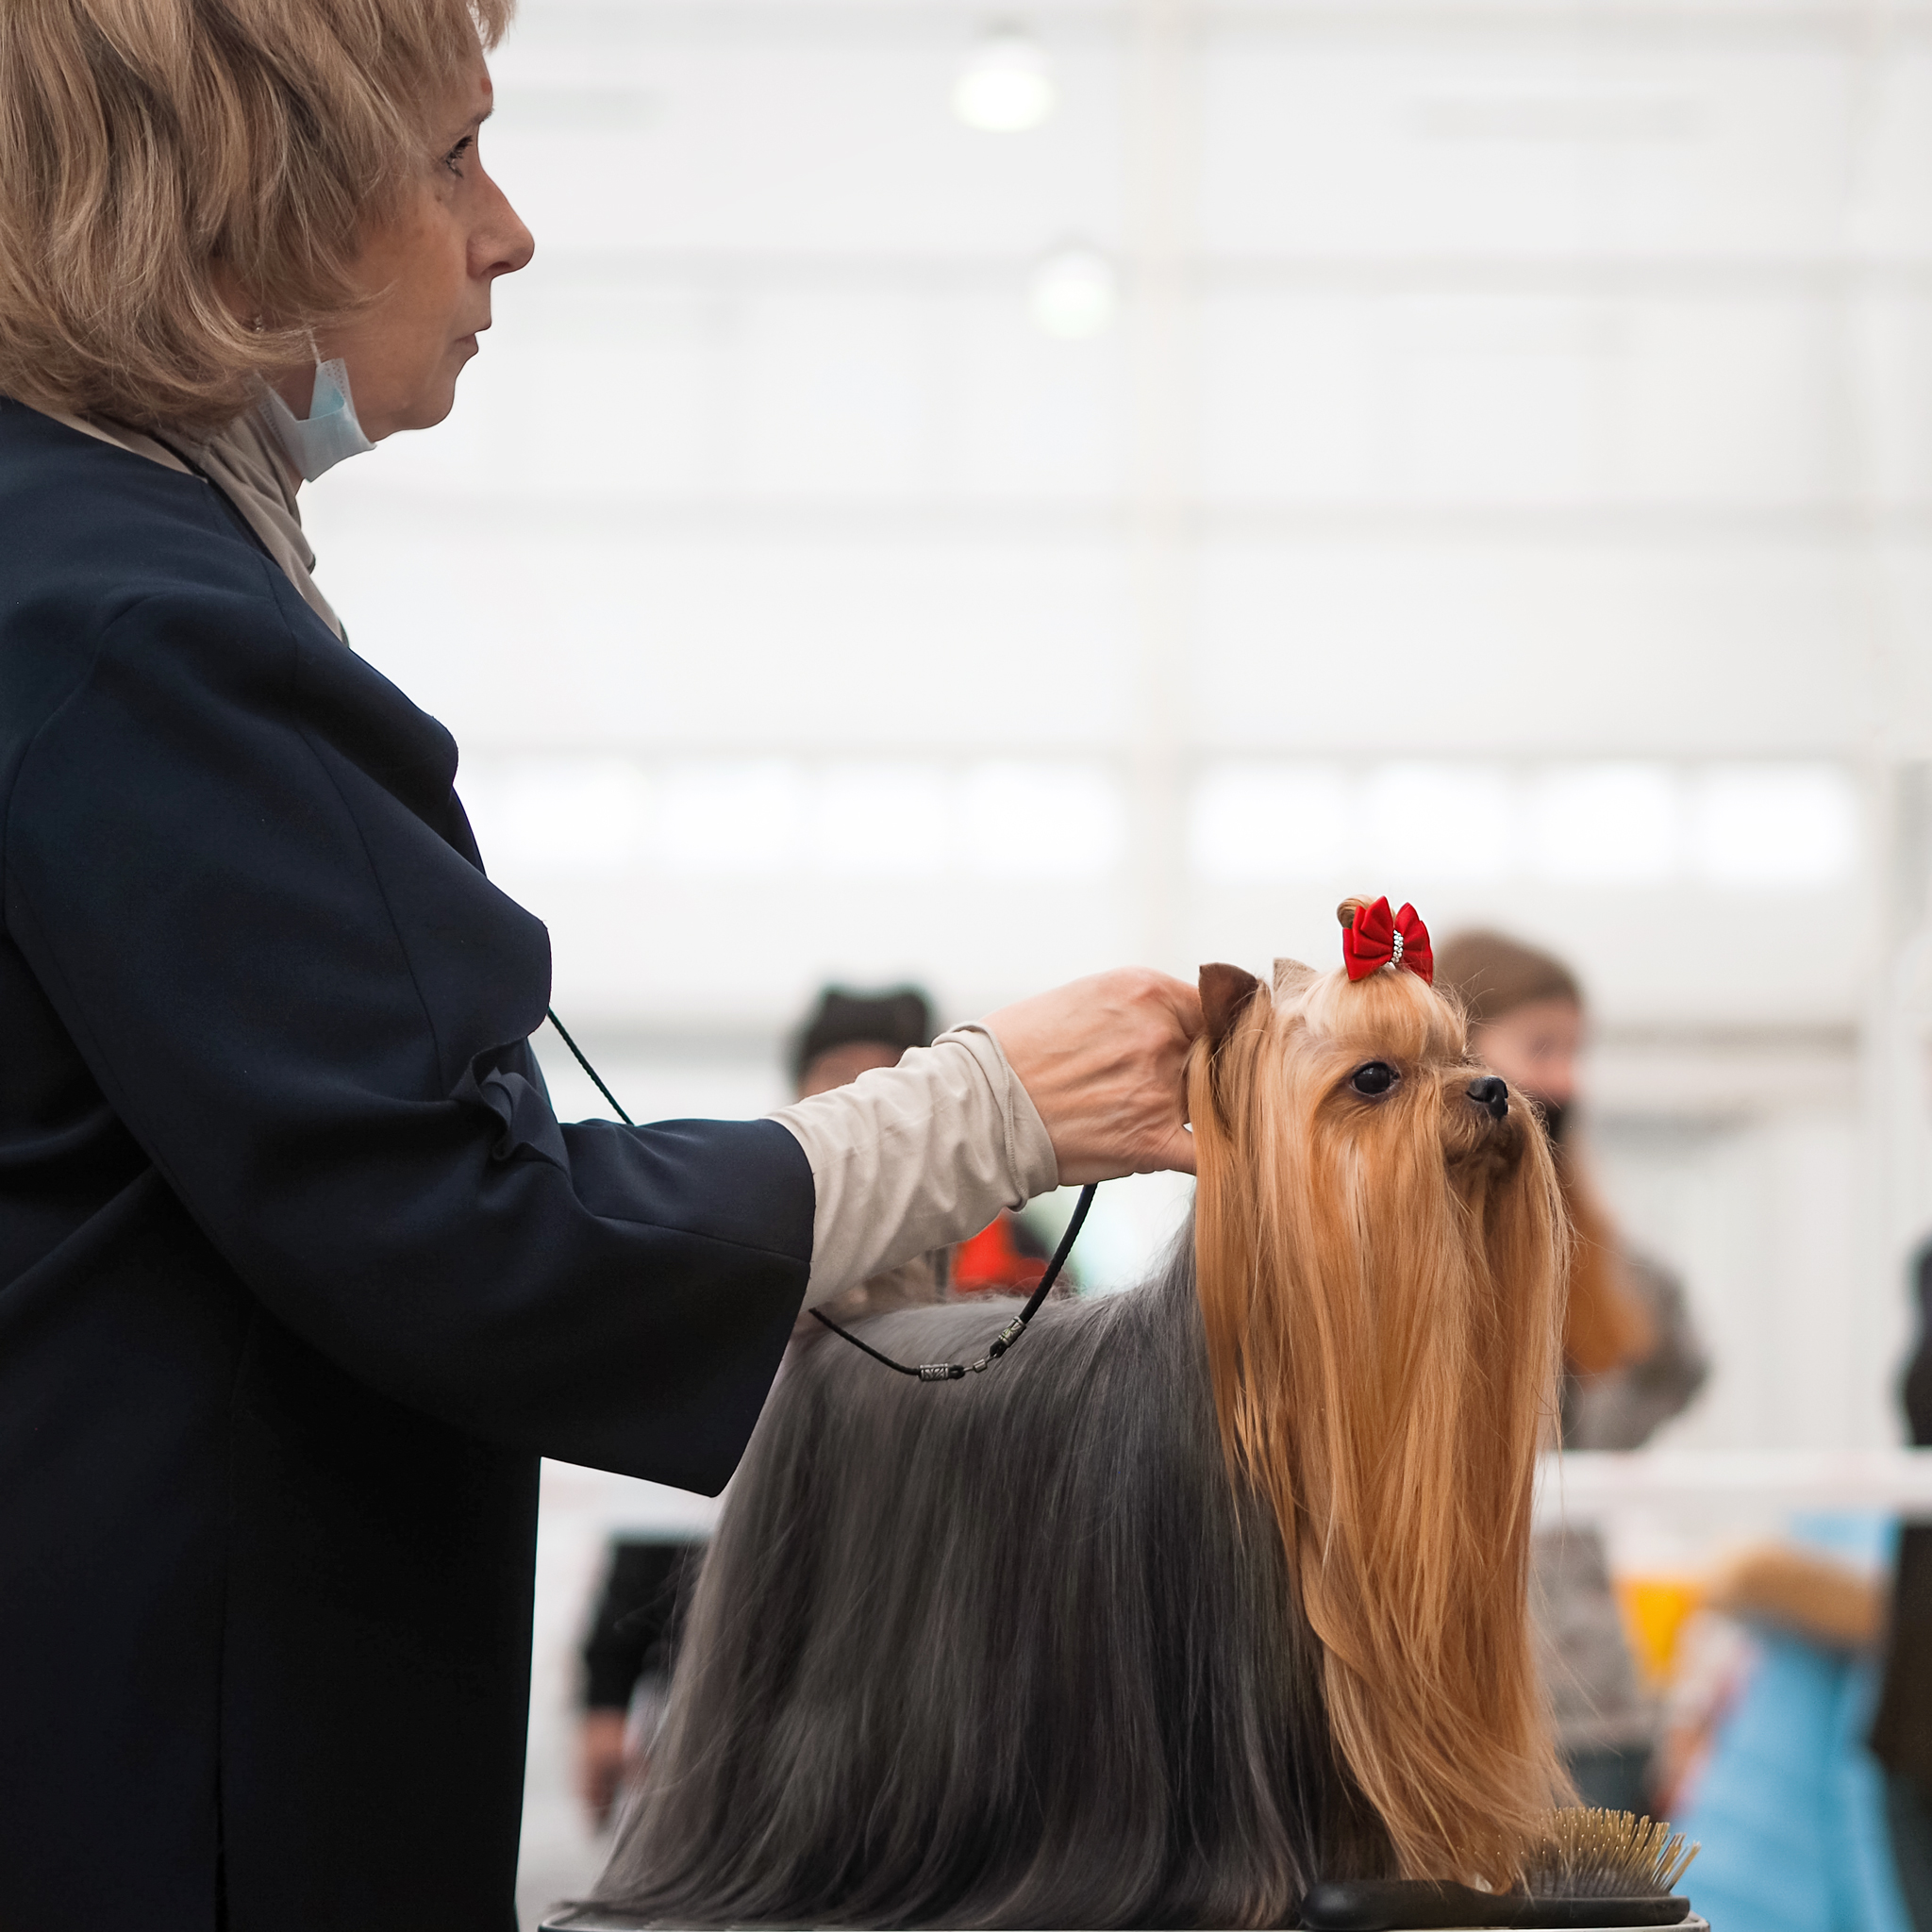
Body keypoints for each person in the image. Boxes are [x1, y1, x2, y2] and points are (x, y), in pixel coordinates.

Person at [0, 9, 1200, 1930]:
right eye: (453, 156)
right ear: (255, 190)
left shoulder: (105, 566)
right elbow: (463, 1226)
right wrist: (986, 1113)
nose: (509, 231)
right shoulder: (132, 617)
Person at [1436, 929, 1708, 1813]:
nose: (1566, 1081)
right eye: (1542, 1048)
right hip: (1435, 1706)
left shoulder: (1610, 1269)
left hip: (1587, 1705)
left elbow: (1674, 1361)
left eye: (1575, 1052)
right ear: (1462, 1055)